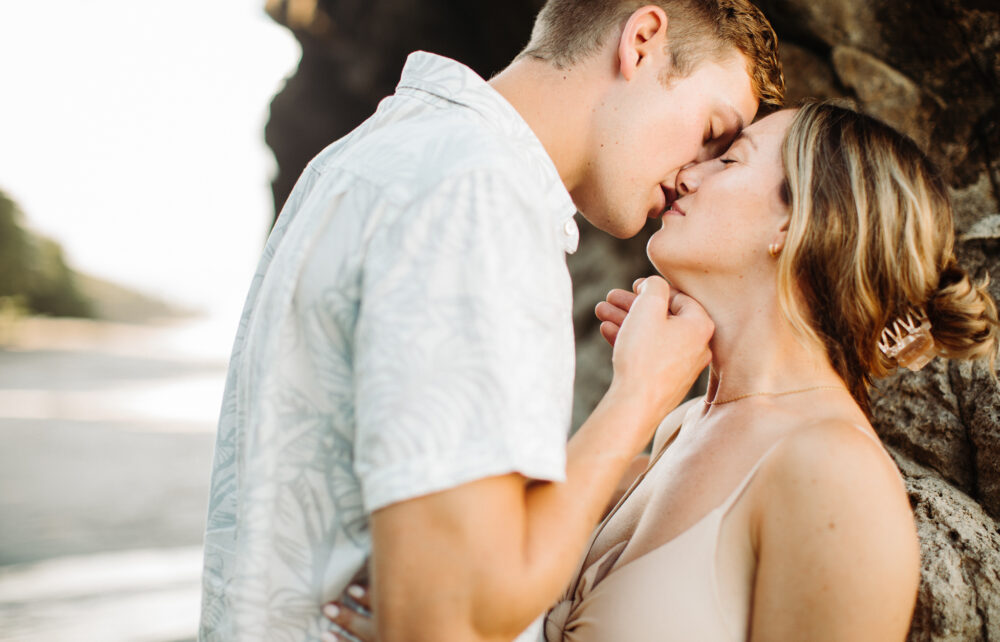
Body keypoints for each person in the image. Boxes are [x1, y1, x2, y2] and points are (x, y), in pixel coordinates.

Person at [198, 0, 784, 641]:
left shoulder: (395, 154)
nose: (692, 176)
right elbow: (454, 615)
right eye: (711, 131)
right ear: (643, 41)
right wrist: (640, 396)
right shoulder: (477, 198)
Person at [323, 103, 998, 641]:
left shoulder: (834, 477)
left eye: (729, 159)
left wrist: (638, 391)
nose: (686, 175)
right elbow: (490, 573)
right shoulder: (681, 425)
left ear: (799, 224)